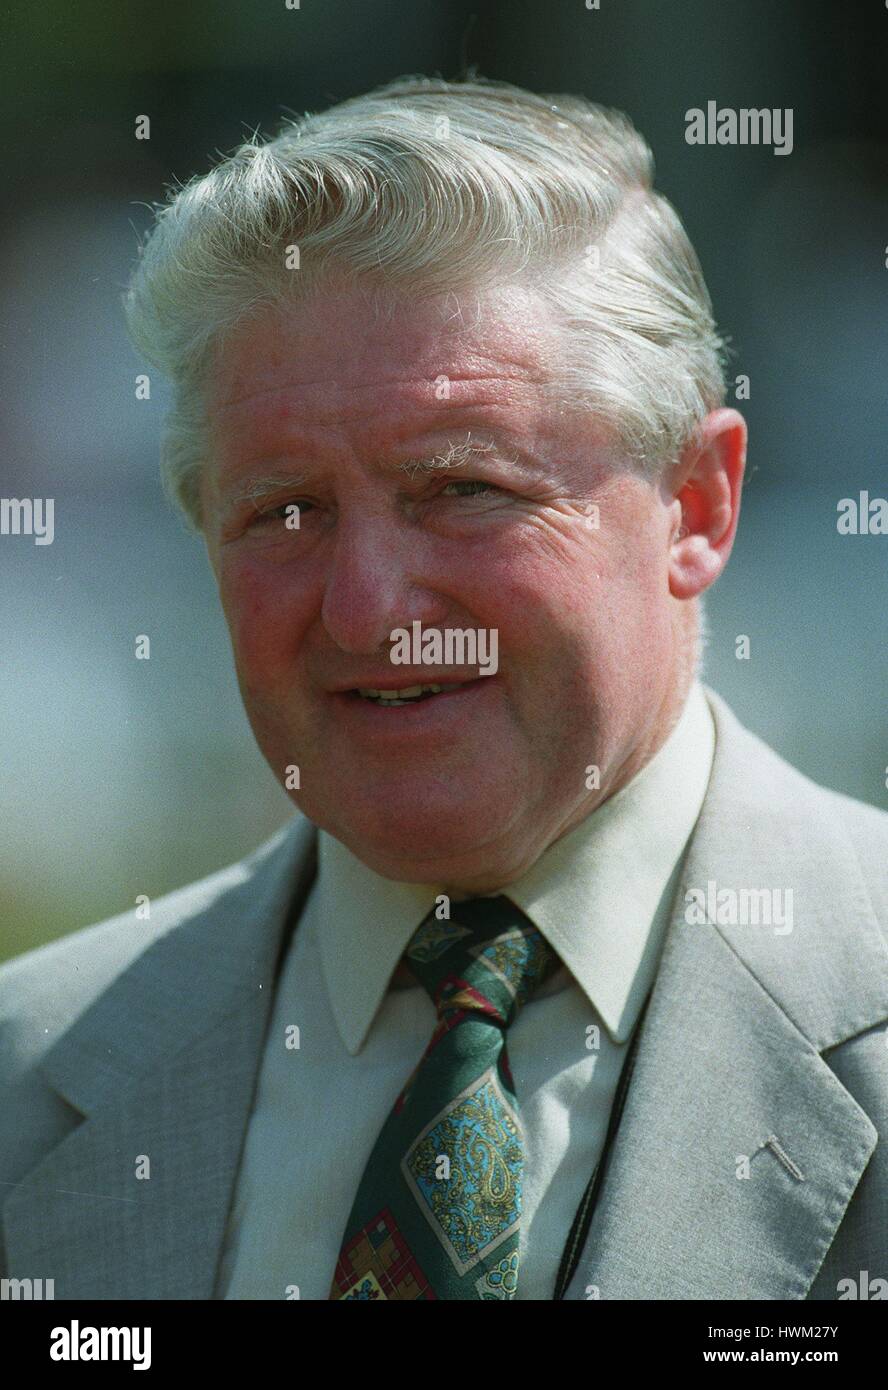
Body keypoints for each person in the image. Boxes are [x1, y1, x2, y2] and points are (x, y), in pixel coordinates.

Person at [1, 75, 885, 1302]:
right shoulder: (29, 1076)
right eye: (286, 511)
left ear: (696, 504)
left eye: (464, 490)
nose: (368, 609)